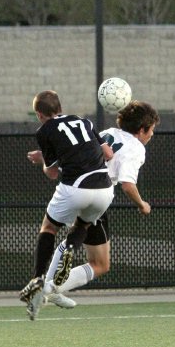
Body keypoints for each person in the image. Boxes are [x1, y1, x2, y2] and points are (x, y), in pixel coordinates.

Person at [49, 101, 159, 307]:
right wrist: (141, 204)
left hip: (74, 186)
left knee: (90, 253)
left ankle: (51, 287)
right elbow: (127, 184)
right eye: (151, 130)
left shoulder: (108, 132)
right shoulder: (135, 147)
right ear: (142, 129)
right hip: (96, 193)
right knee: (99, 263)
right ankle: (50, 287)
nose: (152, 135)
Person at [19, 91, 114, 320]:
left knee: (49, 228)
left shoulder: (45, 130)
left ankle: (37, 279)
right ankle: (70, 248)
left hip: (75, 187)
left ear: (39, 115)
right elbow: (108, 154)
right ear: (60, 107)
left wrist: (42, 160)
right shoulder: (85, 121)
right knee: (82, 225)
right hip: (104, 189)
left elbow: (52, 173)